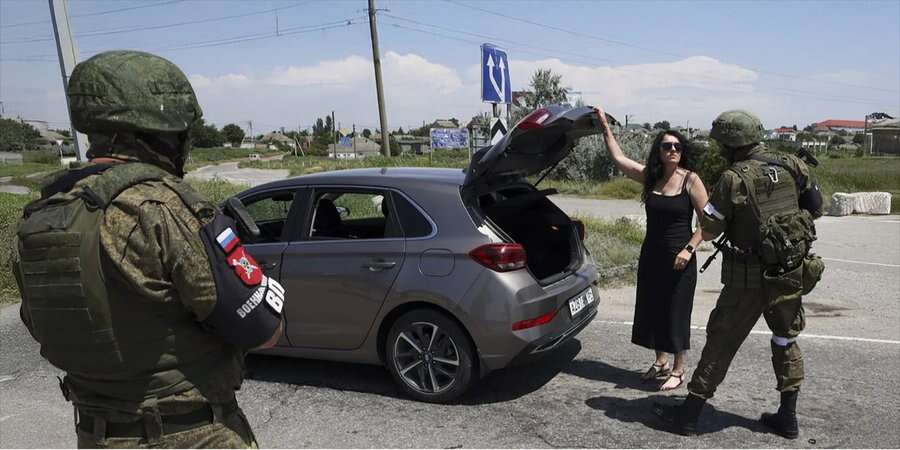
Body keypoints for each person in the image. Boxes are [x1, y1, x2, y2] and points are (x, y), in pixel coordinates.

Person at [13, 50, 286, 448]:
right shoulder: (160, 208)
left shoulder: (42, 215)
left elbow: (43, 326)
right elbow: (263, 329)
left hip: (98, 435)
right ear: (163, 134)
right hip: (191, 436)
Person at [653, 110, 824, 438]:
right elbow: (815, 207)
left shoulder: (733, 178)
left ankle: (689, 415)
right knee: (785, 338)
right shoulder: (793, 164)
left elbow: (710, 227)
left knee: (722, 340)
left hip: (748, 276)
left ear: (730, 144)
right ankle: (787, 417)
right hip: (790, 270)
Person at [595, 107, 709, 391]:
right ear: (658, 150)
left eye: (677, 146)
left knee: (676, 311)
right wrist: (605, 127)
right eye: (666, 146)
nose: (672, 150)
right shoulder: (650, 176)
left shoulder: (690, 180)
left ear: (682, 151)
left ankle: (679, 369)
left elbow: (708, 223)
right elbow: (619, 159)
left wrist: (689, 249)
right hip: (652, 255)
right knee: (653, 308)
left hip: (680, 258)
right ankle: (660, 362)